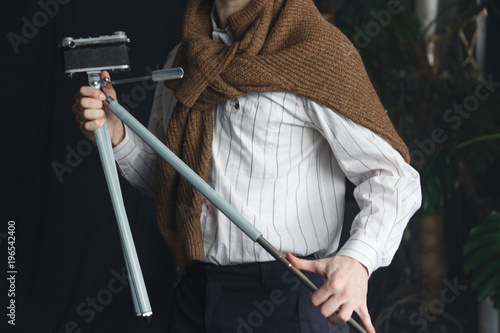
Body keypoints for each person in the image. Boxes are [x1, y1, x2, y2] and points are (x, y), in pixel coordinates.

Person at [72, 0, 422, 332]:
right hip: (196, 291)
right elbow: (171, 180)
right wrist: (117, 133)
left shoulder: (316, 51)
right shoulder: (183, 61)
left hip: (287, 296)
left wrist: (359, 261)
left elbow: (393, 177)